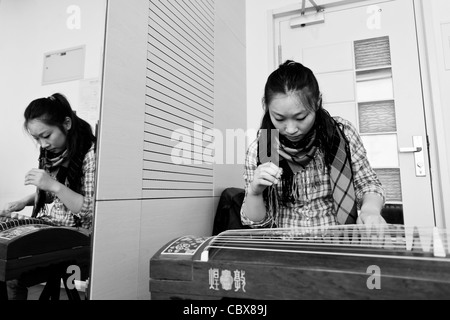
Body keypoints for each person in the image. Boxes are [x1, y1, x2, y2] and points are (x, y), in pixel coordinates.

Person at [241, 61, 386, 229]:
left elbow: (368, 183)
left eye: (301, 118)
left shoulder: (342, 134)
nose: (291, 129)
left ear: (317, 102)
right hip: (286, 246)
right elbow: (256, 223)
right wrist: (254, 191)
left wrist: (370, 211)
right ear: (266, 106)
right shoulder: (261, 150)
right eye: (279, 119)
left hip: (338, 240)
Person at [0, 93, 96, 300]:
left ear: (67, 123)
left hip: (78, 235)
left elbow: (88, 210)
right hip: (53, 226)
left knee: (12, 272)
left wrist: (52, 184)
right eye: (37, 139)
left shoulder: (90, 153)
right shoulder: (52, 154)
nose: (43, 144)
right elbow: (54, 198)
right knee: (4, 251)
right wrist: (23, 202)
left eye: (46, 135)